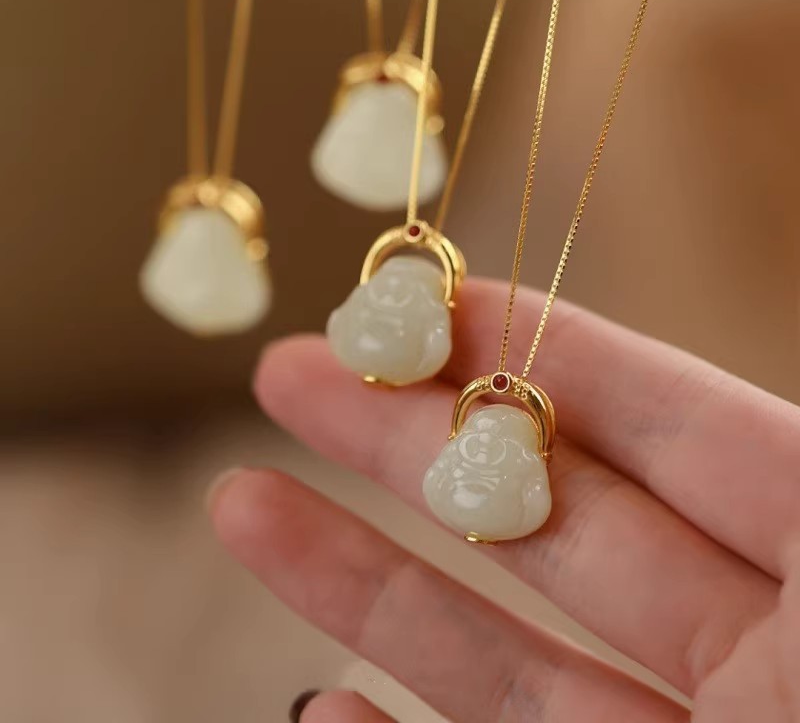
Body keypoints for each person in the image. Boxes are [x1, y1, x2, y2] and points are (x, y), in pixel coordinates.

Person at [208, 278, 800, 722]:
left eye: (498, 443)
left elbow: (529, 497)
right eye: (479, 440)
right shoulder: (458, 460)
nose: (487, 449)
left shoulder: (524, 472)